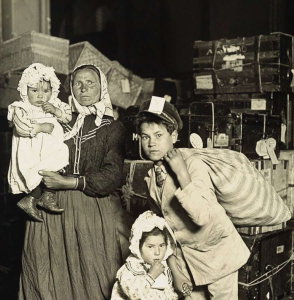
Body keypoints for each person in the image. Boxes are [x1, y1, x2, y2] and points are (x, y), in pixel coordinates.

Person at [18, 64, 126, 300]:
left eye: (91, 83)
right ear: (70, 89)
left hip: (88, 210)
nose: (84, 89)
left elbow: (112, 176)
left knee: (91, 277)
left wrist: (68, 183)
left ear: (102, 88)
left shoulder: (112, 127)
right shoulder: (58, 120)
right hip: (48, 208)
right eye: (78, 83)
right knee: (47, 278)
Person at [133, 97, 250, 300]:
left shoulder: (193, 165)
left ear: (175, 135)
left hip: (218, 256)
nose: (151, 143)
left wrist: (182, 175)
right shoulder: (151, 177)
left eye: (159, 135)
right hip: (186, 262)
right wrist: (176, 271)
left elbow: (202, 216)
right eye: (145, 137)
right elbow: (163, 230)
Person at [7, 63, 71, 222]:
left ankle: (47, 196)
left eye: (46, 91)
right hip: (32, 149)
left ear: (53, 91)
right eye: (34, 91)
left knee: (57, 166)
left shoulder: (54, 104)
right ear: (25, 90)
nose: (40, 96)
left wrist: (56, 111)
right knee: (37, 172)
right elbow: (21, 127)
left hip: (52, 147)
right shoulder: (21, 108)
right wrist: (39, 127)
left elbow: (68, 117)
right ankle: (31, 198)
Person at [111, 210, 179, 300]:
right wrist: (150, 276)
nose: (157, 252)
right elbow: (134, 294)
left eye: (162, 246)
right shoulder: (130, 268)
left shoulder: (164, 267)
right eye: (150, 247)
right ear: (138, 247)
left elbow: (169, 292)